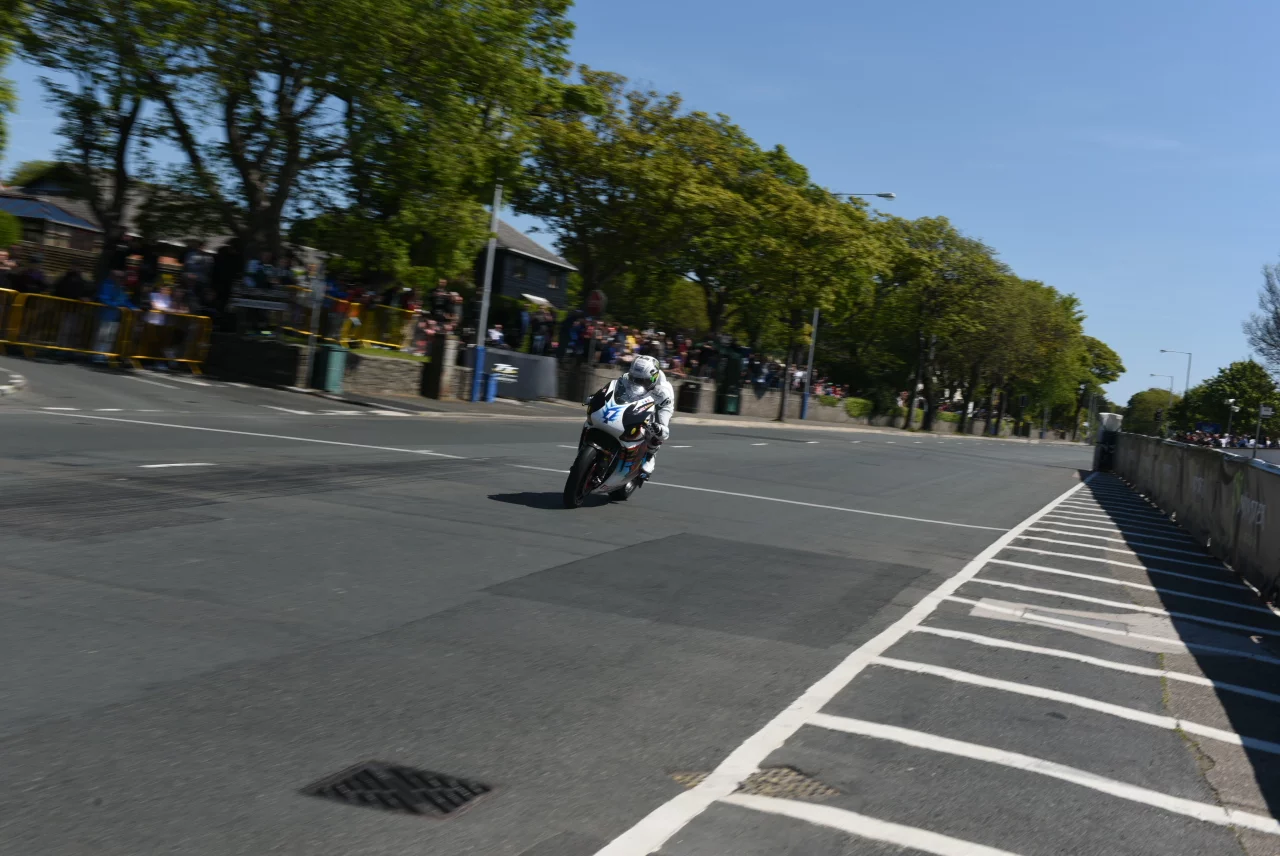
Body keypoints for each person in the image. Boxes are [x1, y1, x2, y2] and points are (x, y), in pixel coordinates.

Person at [612, 354, 673, 478]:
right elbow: (612, 392)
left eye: (642, 381)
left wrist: (658, 428)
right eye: (634, 379)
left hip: (654, 409)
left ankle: (650, 456)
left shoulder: (664, 394)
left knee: (657, 432)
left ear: (653, 378)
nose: (636, 383)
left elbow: (665, 431)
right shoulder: (626, 378)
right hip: (632, 402)